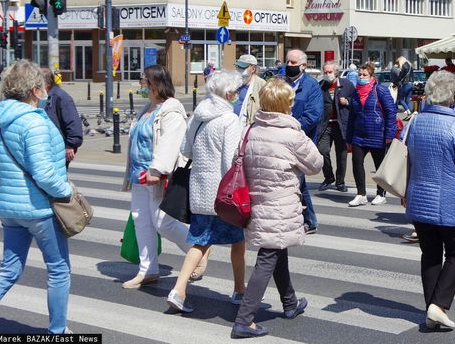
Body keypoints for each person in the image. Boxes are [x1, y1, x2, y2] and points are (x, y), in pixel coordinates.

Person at [0, 61, 73, 335]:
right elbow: (44, 173)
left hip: (11, 209)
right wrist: (67, 192)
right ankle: (57, 331)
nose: (46, 89)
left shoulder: (1, 119)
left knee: (8, 270)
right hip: (39, 209)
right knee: (59, 270)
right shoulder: (33, 121)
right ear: (35, 90)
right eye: (42, 85)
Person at [230, 79, 323, 339]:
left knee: (276, 249)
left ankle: (290, 303)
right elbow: (316, 164)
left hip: (255, 202)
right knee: (268, 258)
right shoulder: (292, 134)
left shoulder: (250, 131)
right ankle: (244, 319)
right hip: (280, 204)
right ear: (286, 105)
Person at [404, 70, 455, 331]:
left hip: (419, 198)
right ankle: (438, 305)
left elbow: (409, 161)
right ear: (453, 96)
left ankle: (432, 308)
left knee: (430, 253)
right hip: (447, 201)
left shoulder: (415, 122)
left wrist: (406, 192)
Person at [166, 70, 246, 313]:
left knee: (199, 242)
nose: (238, 95)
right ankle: (240, 291)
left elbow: (186, 150)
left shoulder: (198, 116)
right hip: (223, 194)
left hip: (199, 191)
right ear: (230, 93)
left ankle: (179, 289)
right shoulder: (230, 120)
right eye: (237, 91)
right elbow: (231, 160)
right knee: (238, 242)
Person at [121, 65, 192, 288]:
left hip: (156, 176)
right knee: (141, 220)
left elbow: (170, 143)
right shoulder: (148, 107)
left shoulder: (171, 110)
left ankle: (196, 251)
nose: (141, 85)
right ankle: (147, 269)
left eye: (144, 81)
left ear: (155, 84)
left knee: (163, 222)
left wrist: (157, 170)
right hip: (139, 175)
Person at [345, 62, 397, 207]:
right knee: (356, 162)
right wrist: (349, 138)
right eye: (359, 75)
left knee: (379, 165)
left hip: (377, 135)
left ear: (372, 76)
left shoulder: (380, 90)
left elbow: (391, 112)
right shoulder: (355, 92)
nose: (361, 77)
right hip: (359, 135)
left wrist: (389, 134)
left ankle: (381, 194)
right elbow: (351, 117)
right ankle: (361, 194)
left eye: (364, 75)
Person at [285, 49, 322, 234]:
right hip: (281, 139)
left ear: (304, 65)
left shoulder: (311, 86)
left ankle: (309, 220)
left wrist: (292, 128)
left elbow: (313, 115)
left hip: (301, 139)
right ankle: (306, 220)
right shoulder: (280, 81)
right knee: (296, 180)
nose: (289, 66)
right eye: (288, 62)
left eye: (293, 63)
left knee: (298, 179)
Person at [317, 62, 354, 192]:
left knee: (341, 155)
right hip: (325, 125)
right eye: (325, 72)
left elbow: (355, 100)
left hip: (341, 124)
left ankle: (340, 182)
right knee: (322, 151)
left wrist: (347, 101)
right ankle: (328, 177)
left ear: (336, 72)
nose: (327, 75)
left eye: (329, 72)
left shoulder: (346, 84)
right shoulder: (321, 86)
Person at [41, 68, 83, 166]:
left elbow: (73, 124)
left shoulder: (60, 97)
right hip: (48, 148)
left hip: (59, 149)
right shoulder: (45, 96)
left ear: (46, 83)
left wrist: (70, 145)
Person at [233, 54, 266, 128]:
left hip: (249, 128)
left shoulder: (261, 85)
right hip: (232, 126)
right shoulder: (234, 82)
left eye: (242, 67)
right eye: (238, 66)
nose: (239, 69)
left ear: (253, 69)